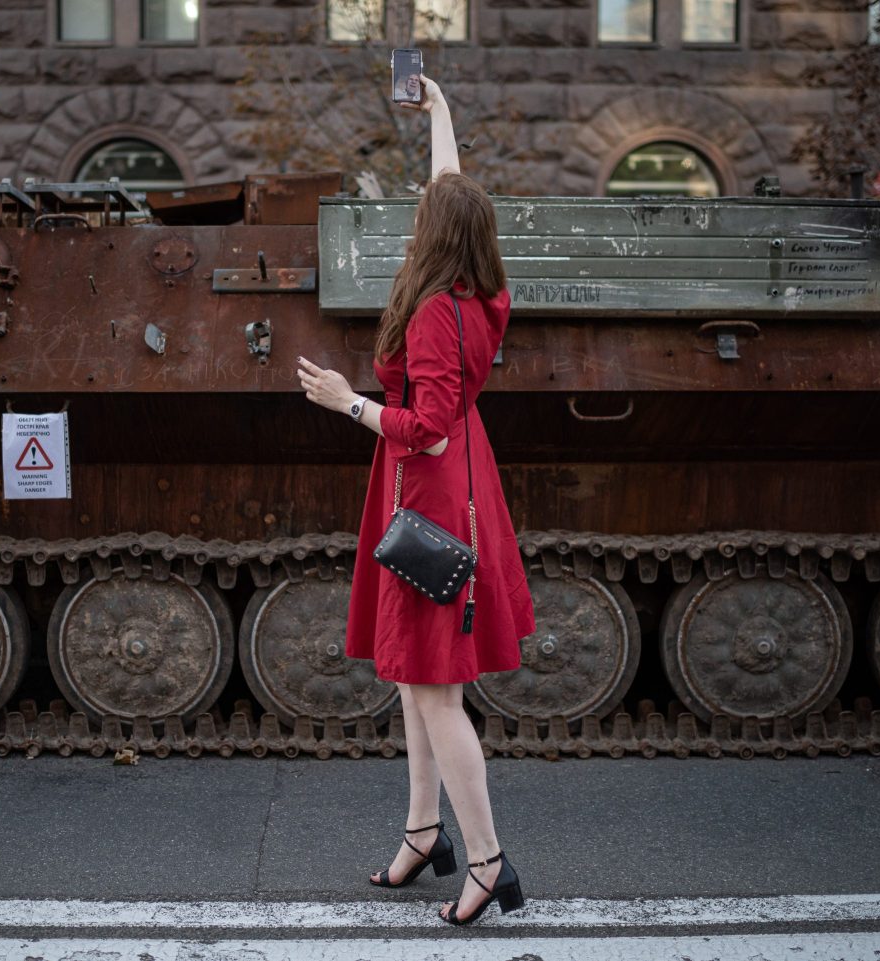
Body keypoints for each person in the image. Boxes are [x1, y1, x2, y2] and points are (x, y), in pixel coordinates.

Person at [295, 75, 536, 927]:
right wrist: (436, 112)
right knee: (410, 677)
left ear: (433, 236)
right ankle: (424, 830)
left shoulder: (436, 313)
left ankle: (488, 863)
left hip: (433, 486)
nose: (414, 216)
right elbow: (450, 190)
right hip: (458, 479)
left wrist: (344, 400)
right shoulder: (484, 291)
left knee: (436, 689)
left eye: (421, 213)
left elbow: (426, 429)